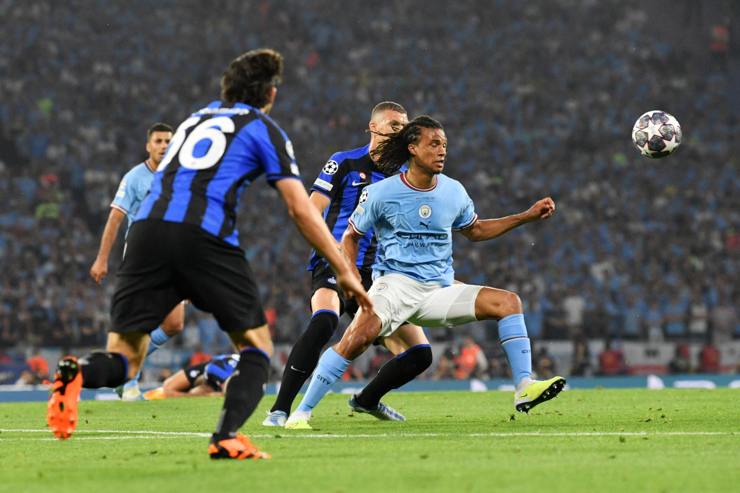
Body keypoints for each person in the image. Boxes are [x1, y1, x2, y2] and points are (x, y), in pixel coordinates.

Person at [46, 48, 371, 461]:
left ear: (226, 88)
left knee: (124, 360)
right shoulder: (263, 128)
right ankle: (226, 437)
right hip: (203, 236)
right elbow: (300, 208)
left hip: (145, 234)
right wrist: (342, 268)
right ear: (270, 93)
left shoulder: (191, 121)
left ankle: (77, 375)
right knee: (256, 349)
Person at [285, 116, 565, 429]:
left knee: (509, 302)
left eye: (444, 144)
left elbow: (475, 230)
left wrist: (526, 216)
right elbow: (351, 236)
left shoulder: (454, 192)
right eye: (434, 144)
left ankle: (524, 387)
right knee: (357, 338)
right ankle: (301, 413)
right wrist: (349, 276)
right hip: (394, 287)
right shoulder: (382, 192)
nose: (442, 151)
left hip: (439, 290)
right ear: (413, 148)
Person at [263, 102, 432, 427]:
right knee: (324, 321)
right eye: (395, 125)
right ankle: (279, 411)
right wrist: (331, 254)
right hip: (337, 262)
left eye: (405, 126)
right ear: (374, 127)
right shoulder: (344, 162)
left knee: (420, 354)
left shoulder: (405, 176)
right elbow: (312, 210)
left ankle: (367, 400)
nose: (402, 131)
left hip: (379, 276)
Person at [89, 122, 185, 401]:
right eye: (158, 141)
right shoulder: (134, 178)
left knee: (174, 324)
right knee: (141, 319)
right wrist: (101, 259)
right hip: (142, 259)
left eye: (168, 140)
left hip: (173, 257)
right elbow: (115, 219)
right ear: (148, 145)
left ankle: (131, 366)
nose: (164, 145)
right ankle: (128, 378)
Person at [143, 353, 239, 399]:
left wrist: (192, 395)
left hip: (222, 367)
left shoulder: (216, 372)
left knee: (167, 388)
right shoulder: (213, 370)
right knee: (167, 386)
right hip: (216, 366)